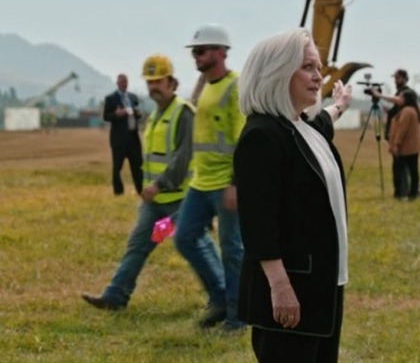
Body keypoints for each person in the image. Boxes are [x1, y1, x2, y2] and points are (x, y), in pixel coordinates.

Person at [233, 27, 352, 362]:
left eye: (318, 68)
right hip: (290, 291)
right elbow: (258, 225)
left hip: (323, 286)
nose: (318, 77)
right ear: (277, 72)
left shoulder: (301, 127)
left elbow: (322, 123)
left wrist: (339, 106)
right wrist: (280, 287)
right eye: (308, 68)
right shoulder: (262, 136)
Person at [83, 54, 194, 310]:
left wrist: (159, 184)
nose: (153, 86)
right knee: (138, 244)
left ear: (172, 82)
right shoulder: (154, 115)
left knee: (193, 245)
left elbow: (182, 158)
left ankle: (223, 296)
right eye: (149, 81)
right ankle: (114, 296)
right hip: (155, 203)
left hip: (180, 201)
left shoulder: (183, 113)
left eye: (158, 80)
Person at [173, 24, 246, 332]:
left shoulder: (235, 86)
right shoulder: (203, 87)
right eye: (194, 52)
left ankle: (237, 316)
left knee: (232, 250)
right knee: (183, 236)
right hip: (200, 182)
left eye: (200, 52)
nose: (195, 57)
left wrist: (235, 183)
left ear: (220, 52)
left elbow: (243, 139)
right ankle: (219, 298)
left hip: (225, 184)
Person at [370, 69, 417, 198]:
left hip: (404, 142)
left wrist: (379, 96)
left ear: (405, 78)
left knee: (403, 168)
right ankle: (404, 191)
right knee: (401, 167)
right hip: (398, 138)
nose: (395, 81)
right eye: (395, 78)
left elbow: (397, 101)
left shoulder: (408, 94)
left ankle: (404, 192)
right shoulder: (402, 96)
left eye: (398, 78)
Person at [103, 73, 143, 196]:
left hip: (133, 138)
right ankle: (118, 191)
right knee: (117, 168)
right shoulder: (111, 98)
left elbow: (138, 113)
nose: (124, 84)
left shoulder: (133, 97)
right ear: (117, 83)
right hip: (119, 139)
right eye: (122, 82)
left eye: (126, 82)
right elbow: (106, 116)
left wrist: (137, 113)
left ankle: (140, 190)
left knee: (138, 166)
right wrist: (116, 114)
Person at [388, 90, 420, 200]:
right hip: (412, 147)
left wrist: (396, 144)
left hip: (406, 148)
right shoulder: (411, 110)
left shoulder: (407, 111)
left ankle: (402, 193)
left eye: (401, 98)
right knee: (413, 171)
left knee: (400, 170)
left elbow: (402, 129)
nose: (399, 99)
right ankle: (413, 192)